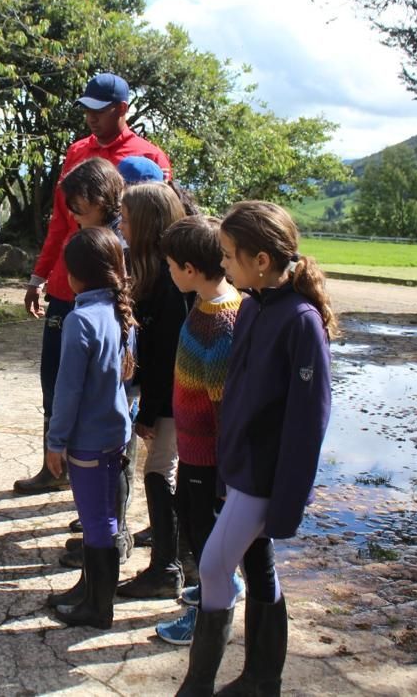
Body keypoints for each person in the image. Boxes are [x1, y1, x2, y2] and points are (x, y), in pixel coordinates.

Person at [178, 201, 334, 697]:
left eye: (228, 255)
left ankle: (200, 685)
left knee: (213, 566)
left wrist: (289, 499)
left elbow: (309, 421)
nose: (222, 265)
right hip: (240, 470)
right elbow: (239, 397)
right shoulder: (251, 307)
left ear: (261, 259)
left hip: (265, 479)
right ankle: (262, 679)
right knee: (257, 568)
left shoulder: (300, 321)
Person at [16, 72, 172, 496]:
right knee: (57, 380)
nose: (90, 118)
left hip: (119, 296)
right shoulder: (76, 152)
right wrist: (40, 275)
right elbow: (58, 221)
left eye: (99, 110)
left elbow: (159, 224)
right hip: (68, 287)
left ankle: (108, 482)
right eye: (86, 109)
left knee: (116, 391)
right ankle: (55, 464)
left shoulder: (148, 157)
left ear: (122, 109)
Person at [153, 216, 244, 646]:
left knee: (205, 540)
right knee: (193, 526)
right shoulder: (205, 305)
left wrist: (225, 476)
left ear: (190, 269)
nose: (168, 273)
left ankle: (209, 614)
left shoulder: (222, 323)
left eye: (171, 266)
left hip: (207, 458)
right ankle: (219, 588)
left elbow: (225, 406)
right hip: (191, 449)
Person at [44, 226, 137, 630]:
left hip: (87, 440)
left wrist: (55, 441)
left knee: (98, 523)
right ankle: (92, 596)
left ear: (74, 275)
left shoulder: (81, 320)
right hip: (116, 432)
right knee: (104, 519)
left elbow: (68, 391)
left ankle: (99, 608)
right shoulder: (119, 312)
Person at [115, 182, 191, 601]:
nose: (120, 226)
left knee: (161, 474)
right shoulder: (154, 270)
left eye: (125, 219)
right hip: (165, 398)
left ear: (146, 224)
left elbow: (168, 356)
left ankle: (167, 568)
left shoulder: (168, 279)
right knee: (160, 472)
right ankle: (173, 559)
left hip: (174, 402)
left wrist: (149, 412)